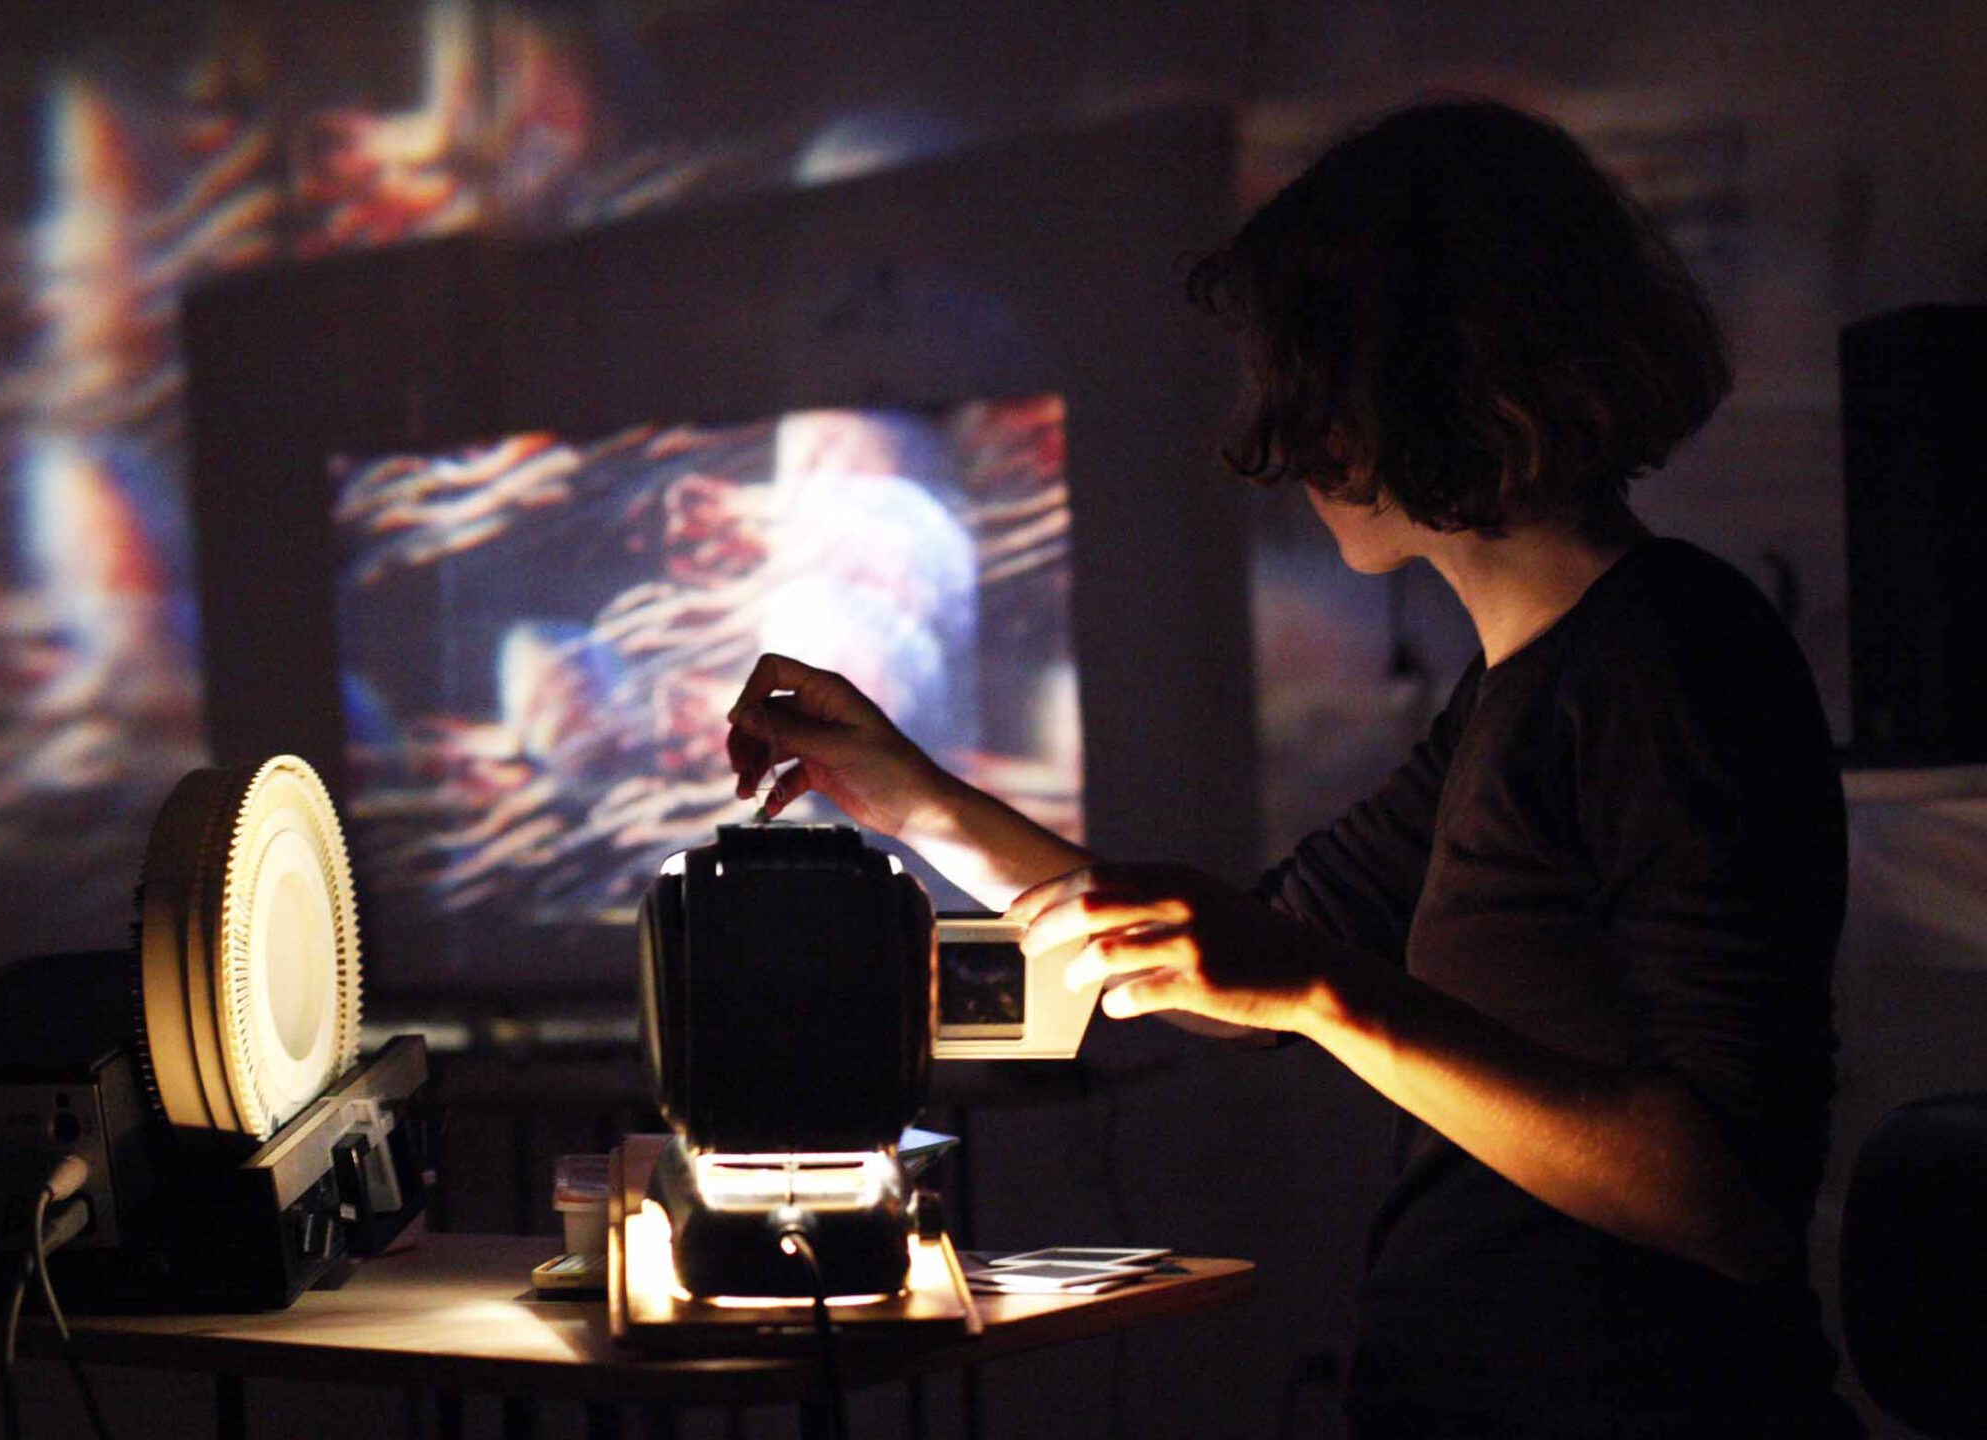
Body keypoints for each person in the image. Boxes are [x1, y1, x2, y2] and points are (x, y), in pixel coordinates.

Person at [723, 99, 1860, 1439]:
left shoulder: (1672, 658)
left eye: (1304, 380)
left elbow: (1724, 1197)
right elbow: (1238, 974)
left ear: (1421, 384)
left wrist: (1323, 993)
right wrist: (909, 795)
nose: (1274, 434)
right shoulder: (1508, 700)